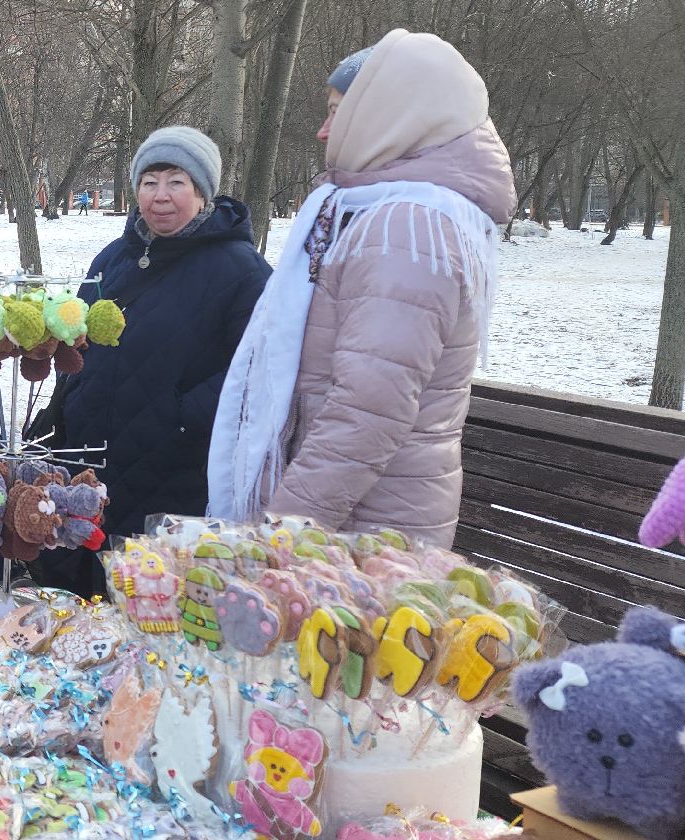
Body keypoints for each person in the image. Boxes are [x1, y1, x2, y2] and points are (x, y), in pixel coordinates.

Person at [208, 29, 515, 548]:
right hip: (355, 524)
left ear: (385, 116)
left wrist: (280, 536)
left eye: (336, 113)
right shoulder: (380, 213)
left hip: (364, 537)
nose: (325, 132)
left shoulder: (406, 228)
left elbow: (368, 413)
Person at [28, 126, 270, 597]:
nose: (160, 196)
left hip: (175, 473)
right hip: (88, 461)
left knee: (148, 604)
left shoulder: (242, 272)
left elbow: (257, 371)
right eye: (149, 181)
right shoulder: (114, 258)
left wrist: (179, 418)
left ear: (202, 192)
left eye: (176, 182)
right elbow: (78, 336)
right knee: (79, 595)